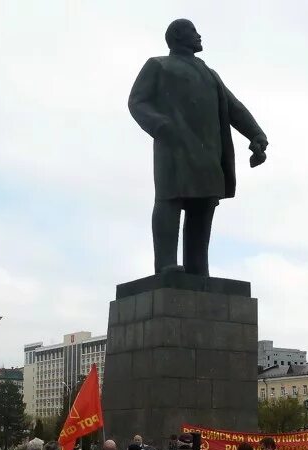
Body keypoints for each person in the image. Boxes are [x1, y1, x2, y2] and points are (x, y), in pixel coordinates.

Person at [129, 19, 268, 276]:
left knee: (203, 206)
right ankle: (166, 265)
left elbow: (233, 107)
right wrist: (160, 126)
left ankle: (197, 267)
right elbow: (137, 102)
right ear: (178, 35)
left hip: (209, 153)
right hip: (175, 147)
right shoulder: (158, 65)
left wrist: (256, 134)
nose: (199, 35)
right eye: (193, 31)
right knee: (170, 200)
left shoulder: (209, 74)